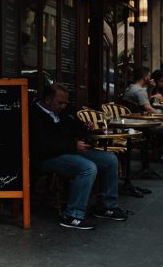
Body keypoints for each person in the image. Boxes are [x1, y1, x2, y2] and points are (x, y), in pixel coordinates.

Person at [30, 83, 128, 230]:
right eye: (60, 103)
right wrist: (72, 147)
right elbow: (41, 145)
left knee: (110, 160)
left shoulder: (63, 112)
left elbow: (72, 125)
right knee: (88, 168)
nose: (63, 106)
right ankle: (73, 215)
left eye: (65, 103)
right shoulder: (34, 115)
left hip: (70, 151)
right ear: (48, 100)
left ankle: (107, 206)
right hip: (48, 157)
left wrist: (84, 126)